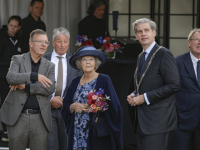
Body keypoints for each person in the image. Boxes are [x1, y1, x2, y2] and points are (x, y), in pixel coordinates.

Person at [127, 18, 180, 150]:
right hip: (143, 122)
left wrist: (144, 97)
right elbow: (145, 83)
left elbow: (174, 84)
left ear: (154, 33)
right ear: (136, 36)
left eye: (146, 30)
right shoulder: (141, 56)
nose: (143, 34)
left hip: (159, 123)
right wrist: (134, 94)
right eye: (139, 31)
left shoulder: (163, 53)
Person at [0, 29, 55, 150]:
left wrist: (26, 86)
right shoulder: (18, 59)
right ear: (31, 43)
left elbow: (50, 88)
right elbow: (11, 78)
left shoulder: (50, 65)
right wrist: (35, 76)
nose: (43, 45)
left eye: (46, 42)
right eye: (40, 41)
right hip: (18, 117)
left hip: (40, 119)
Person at [61, 46, 123, 150]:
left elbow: (114, 107)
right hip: (77, 133)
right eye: (84, 59)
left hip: (96, 134)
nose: (87, 62)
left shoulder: (104, 79)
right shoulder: (75, 82)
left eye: (91, 59)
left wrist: (95, 107)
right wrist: (73, 106)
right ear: (80, 63)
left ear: (96, 62)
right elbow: (65, 106)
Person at [43, 27, 82, 150]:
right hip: (46, 109)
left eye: (65, 41)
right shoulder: (43, 60)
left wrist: (65, 101)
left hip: (68, 110)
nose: (62, 45)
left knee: (67, 145)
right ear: (53, 42)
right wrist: (50, 100)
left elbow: (79, 85)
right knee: (51, 145)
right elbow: (36, 85)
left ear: (69, 42)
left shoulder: (75, 62)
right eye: (59, 41)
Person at [170, 29, 200, 150]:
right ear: (189, 43)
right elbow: (168, 86)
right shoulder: (177, 62)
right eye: (196, 40)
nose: (199, 43)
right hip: (183, 120)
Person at [0, 15, 22, 141]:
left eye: (15, 26)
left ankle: (12, 128)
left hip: (15, 77)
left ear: (19, 27)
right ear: (7, 25)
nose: (13, 28)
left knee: (14, 102)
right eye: (11, 25)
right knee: (4, 102)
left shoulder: (20, 40)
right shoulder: (2, 38)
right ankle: (6, 130)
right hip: (2, 76)